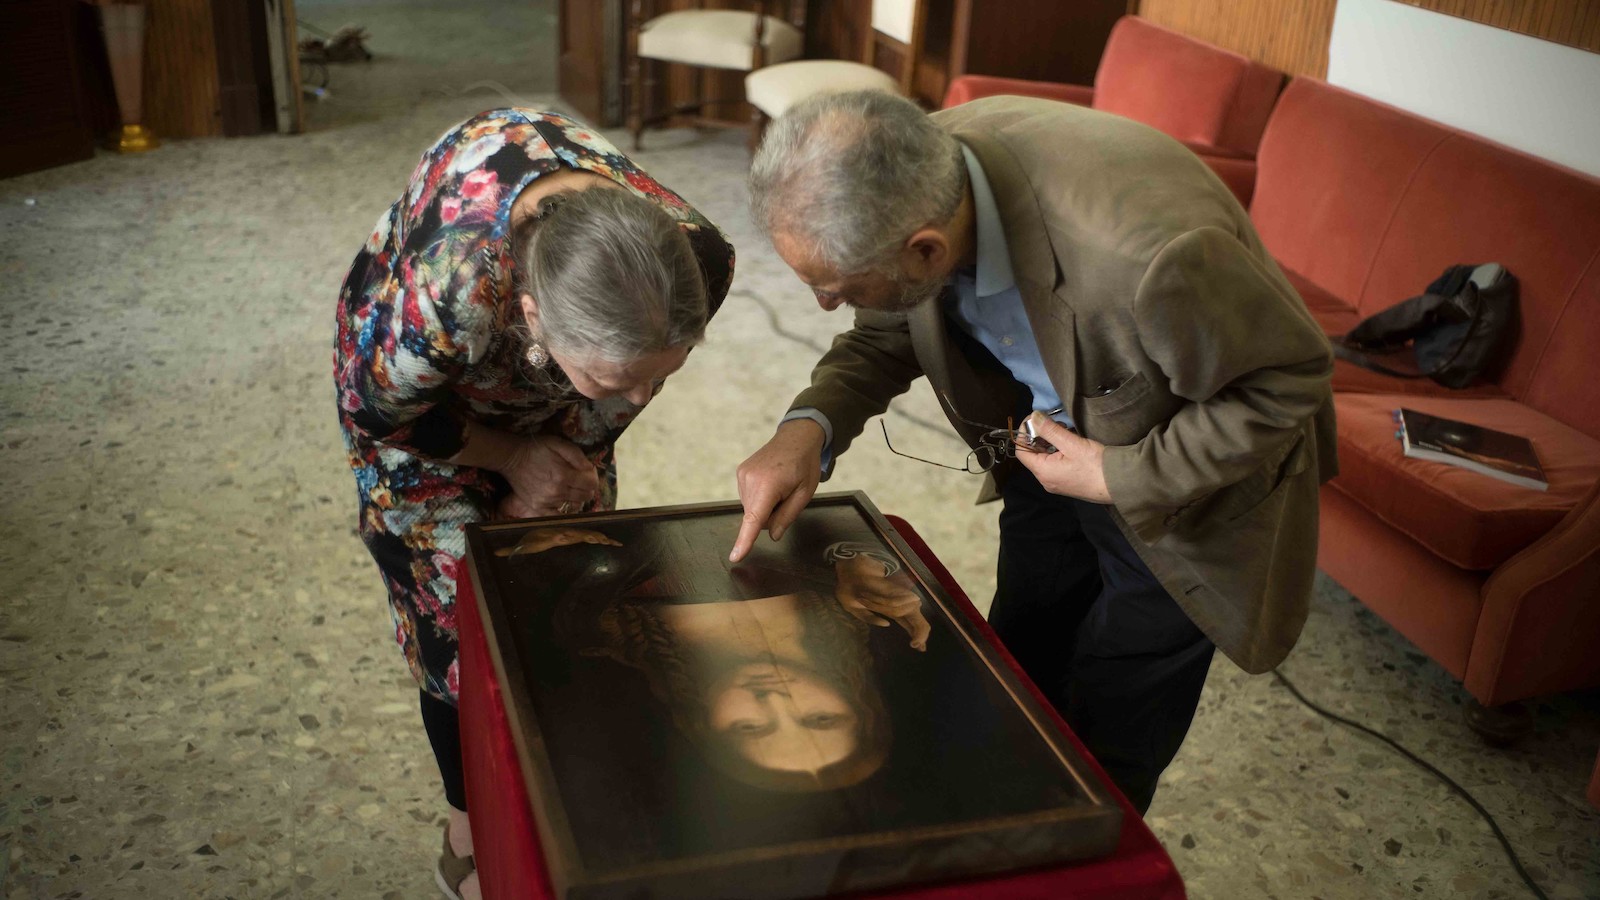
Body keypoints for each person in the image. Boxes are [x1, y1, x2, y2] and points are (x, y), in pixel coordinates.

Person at [731, 91, 1336, 815]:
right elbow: (887, 327)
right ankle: (1005, 815)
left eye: (832, 289)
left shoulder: (1147, 254)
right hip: (1047, 449)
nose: (827, 307)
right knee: (1021, 645)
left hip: (1181, 495)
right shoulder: (916, 171)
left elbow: (1286, 379)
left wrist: (1117, 474)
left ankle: (1082, 850)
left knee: (1115, 710)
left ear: (927, 250)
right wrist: (809, 427)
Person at [332, 108, 734, 900]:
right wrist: (509, 458)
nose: (646, 399)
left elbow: (615, 397)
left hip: (573, 349)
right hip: (413, 416)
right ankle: (465, 829)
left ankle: (565, 795)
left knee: (572, 576)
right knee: (457, 622)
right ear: (531, 320)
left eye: (665, 375)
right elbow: (377, 409)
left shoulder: (697, 259)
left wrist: (565, 467)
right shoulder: (444, 302)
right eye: (623, 381)